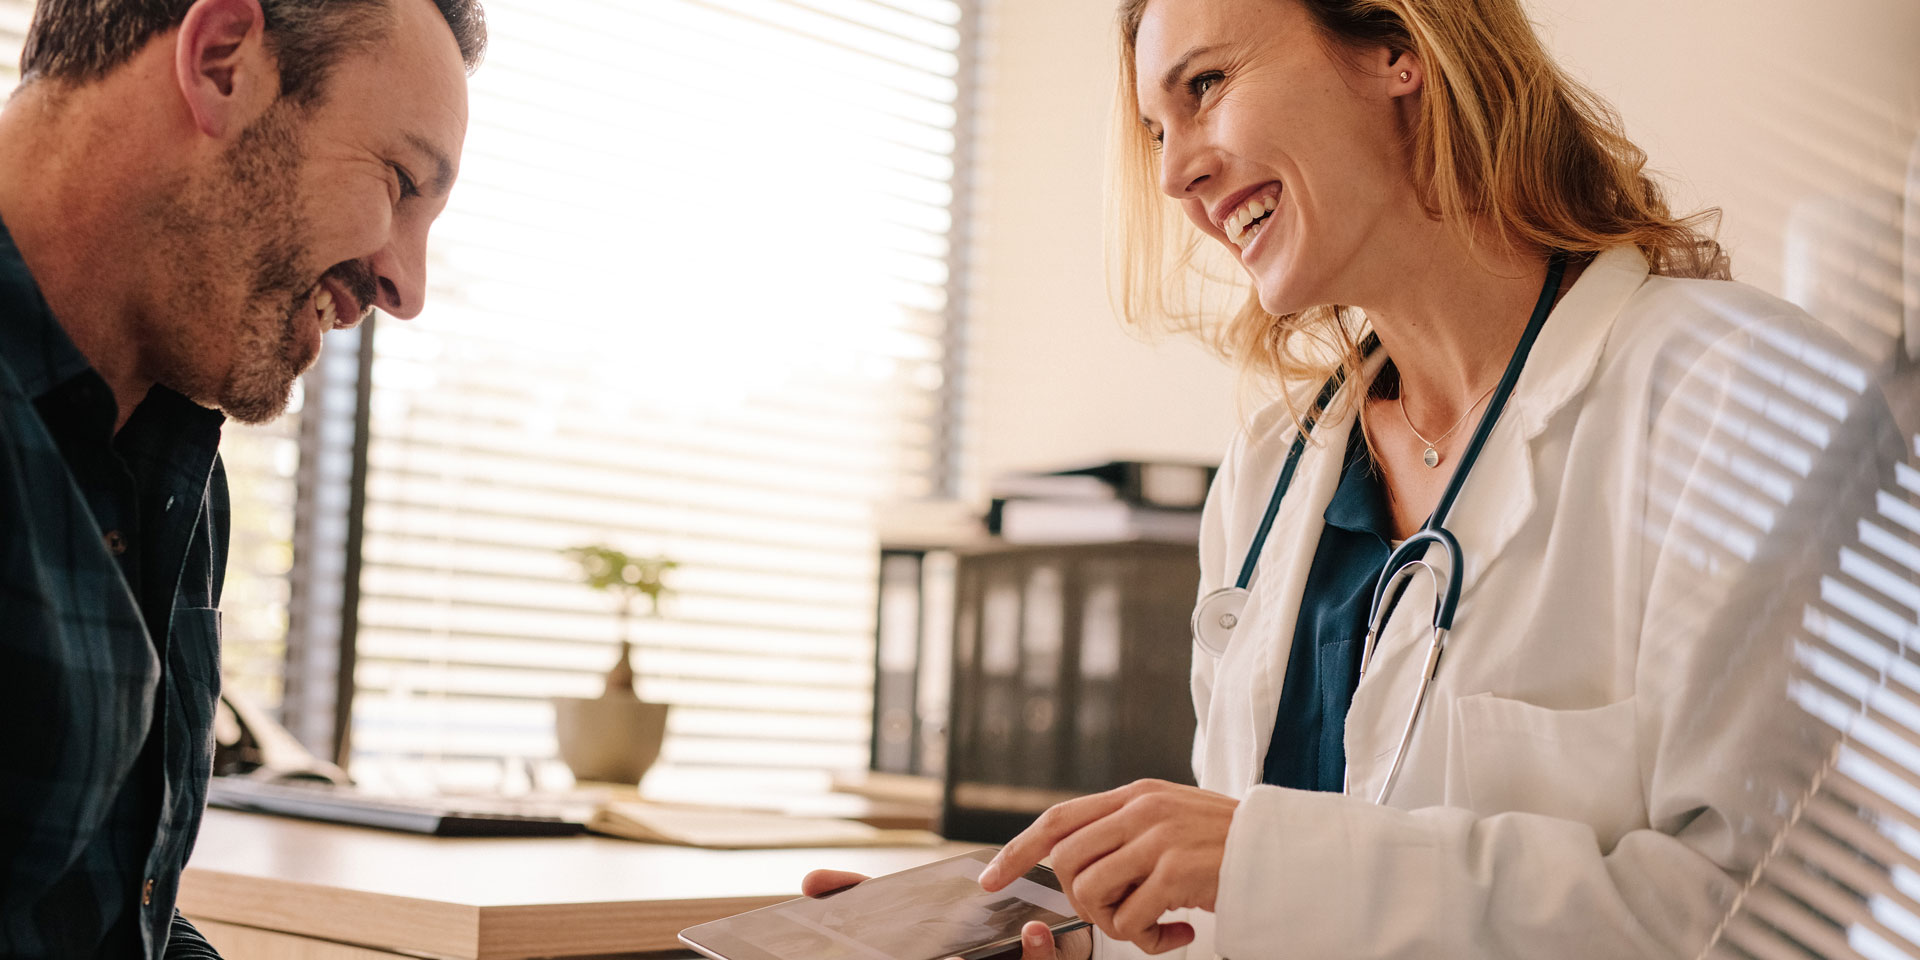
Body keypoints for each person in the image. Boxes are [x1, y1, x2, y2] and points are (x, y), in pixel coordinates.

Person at [811, 0, 1905, 957]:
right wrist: (1061, 939)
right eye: (1157, 127)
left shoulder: (1746, 400)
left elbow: (1773, 920)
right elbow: (1247, 922)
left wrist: (1263, 859)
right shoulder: (1272, 476)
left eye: (1207, 85)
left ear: (1396, 44)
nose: (1174, 171)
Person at [0, 0, 483, 955]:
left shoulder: (172, 457)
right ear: (221, 61)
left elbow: (107, 921)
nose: (406, 289)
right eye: (398, 181)